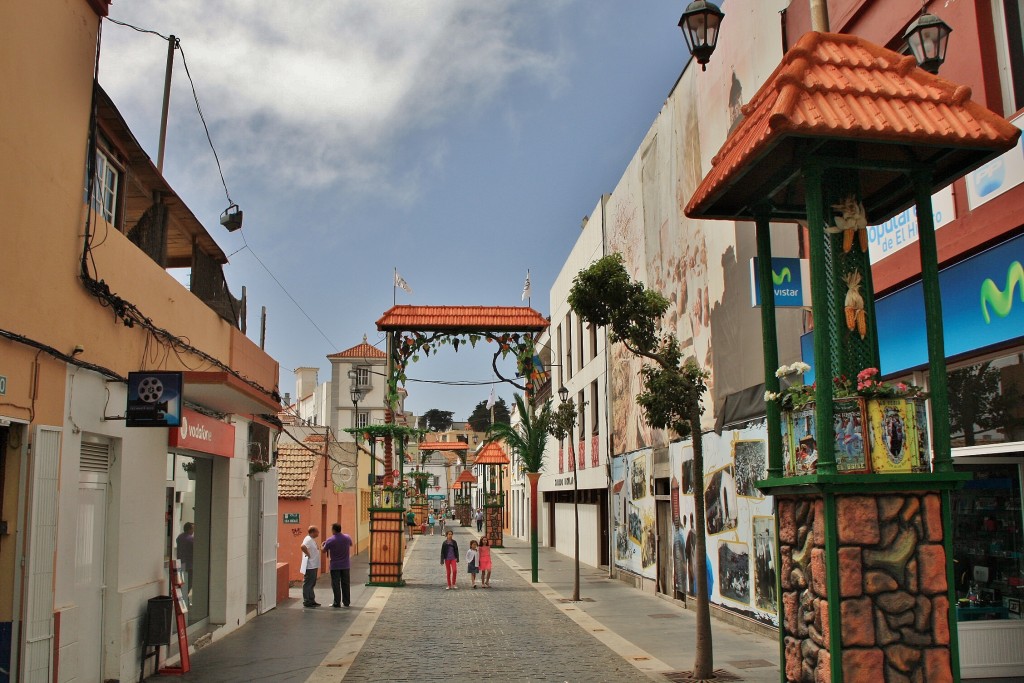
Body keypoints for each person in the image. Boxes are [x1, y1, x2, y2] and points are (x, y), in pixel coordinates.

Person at [322, 522, 353, 608]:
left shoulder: (330, 540)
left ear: (333, 530)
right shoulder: (347, 537)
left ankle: (337, 602)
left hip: (335, 565)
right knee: (345, 583)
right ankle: (346, 602)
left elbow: (323, 550)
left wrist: (322, 545)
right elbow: (351, 544)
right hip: (346, 565)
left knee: (336, 584)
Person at [299, 526, 321, 607]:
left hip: (314, 565)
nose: (318, 533)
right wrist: (308, 554)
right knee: (308, 583)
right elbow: (302, 546)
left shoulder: (312, 540)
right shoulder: (308, 539)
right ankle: (307, 601)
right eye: (317, 531)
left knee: (312, 583)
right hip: (310, 565)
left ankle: (311, 600)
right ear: (313, 532)